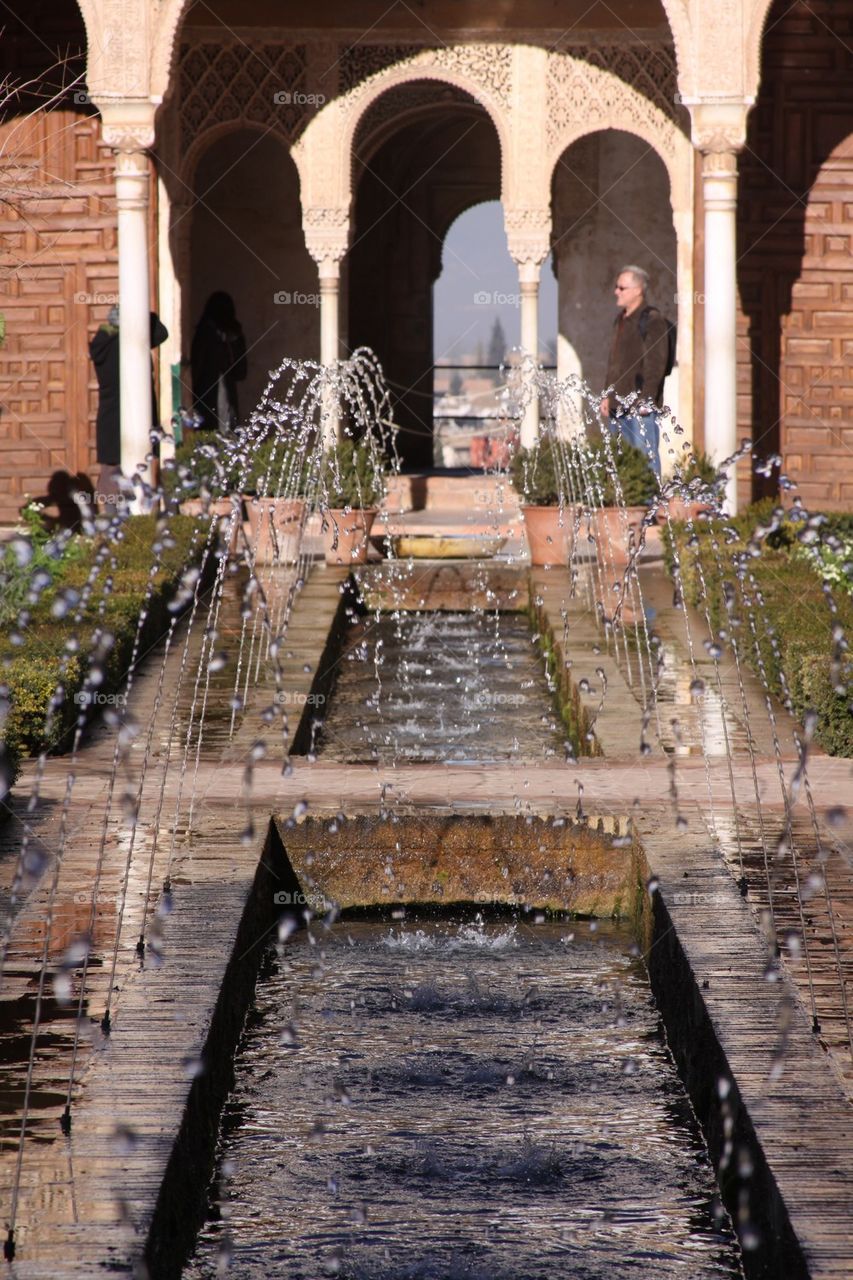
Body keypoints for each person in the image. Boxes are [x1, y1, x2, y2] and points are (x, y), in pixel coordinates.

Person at [89, 306, 168, 501]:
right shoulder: (128, 344)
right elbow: (161, 333)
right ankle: (131, 520)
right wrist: (142, 314)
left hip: (111, 418)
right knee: (129, 471)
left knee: (111, 473)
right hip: (131, 415)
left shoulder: (104, 342)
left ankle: (112, 521)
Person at [599, 266, 669, 478]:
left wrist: (646, 400)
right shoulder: (620, 321)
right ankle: (627, 510)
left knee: (645, 463)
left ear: (638, 290)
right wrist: (606, 395)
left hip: (640, 409)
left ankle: (650, 508)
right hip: (617, 407)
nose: (616, 292)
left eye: (622, 287)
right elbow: (614, 362)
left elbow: (656, 364)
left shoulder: (652, 320)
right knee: (619, 467)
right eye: (616, 287)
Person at [190, 291, 247, 432]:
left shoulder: (229, 335)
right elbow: (196, 368)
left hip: (217, 397)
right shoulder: (208, 333)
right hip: (211, 398)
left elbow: (241, 372)